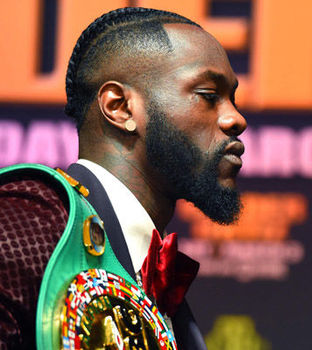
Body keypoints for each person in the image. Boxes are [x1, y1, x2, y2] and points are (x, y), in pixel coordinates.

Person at [0, 7, 246, 349]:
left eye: (232, 99)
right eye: (209, 96)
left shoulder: (158, 281)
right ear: (120, 107)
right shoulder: (23, 227)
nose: (236, 119)